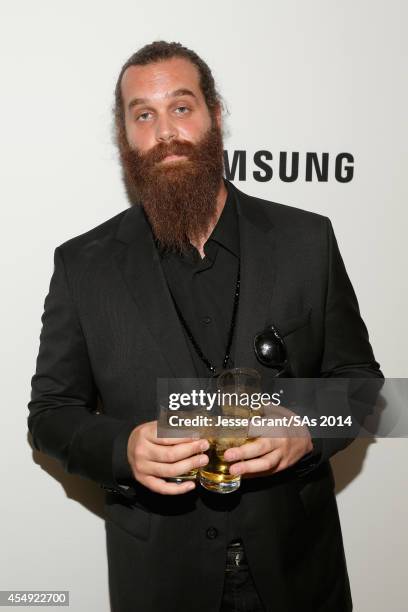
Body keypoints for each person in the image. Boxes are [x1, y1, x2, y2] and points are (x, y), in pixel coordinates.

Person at [28, 41, 383, 612]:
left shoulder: (304, 241)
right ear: (126, 136)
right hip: (161, 581)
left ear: (216, 115)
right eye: (143, 114)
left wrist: (306, 429)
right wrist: (123, 448)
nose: (164, 131)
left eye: (181, 107)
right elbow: (50, 414)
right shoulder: (83, 265)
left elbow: (363, 384)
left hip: (299, 573)